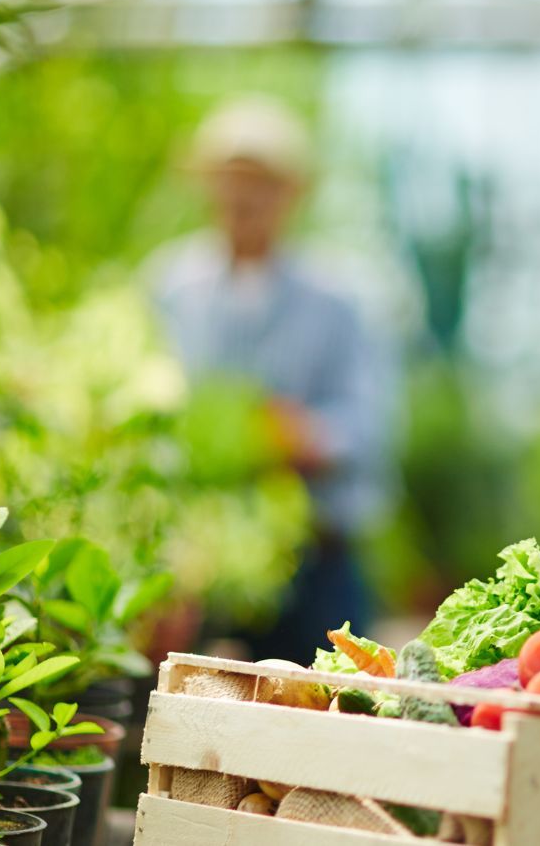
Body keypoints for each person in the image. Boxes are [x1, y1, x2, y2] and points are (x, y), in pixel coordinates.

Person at [154, 96, 398, 659]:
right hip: (198, 562)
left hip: (316, 560)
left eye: (262, 183)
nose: (244, 198)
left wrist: (301, 436)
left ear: (292, 195)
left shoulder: (338, 298)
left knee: (322, 711)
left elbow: (370, 425)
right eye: (231, 181)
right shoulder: (172, 287)